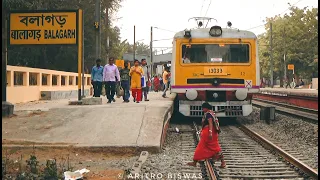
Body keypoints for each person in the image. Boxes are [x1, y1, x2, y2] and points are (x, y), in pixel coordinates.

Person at [187, 102, 226, 168]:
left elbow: (210, 123)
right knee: (215, 148)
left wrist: (210, 132)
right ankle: (223, 162)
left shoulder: (208, 114)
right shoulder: (211, 113)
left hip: (208, 134)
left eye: (203, 108)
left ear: (206, 108)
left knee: (201, 147)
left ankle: (195, 162)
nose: (202, 109)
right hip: (212, 133)